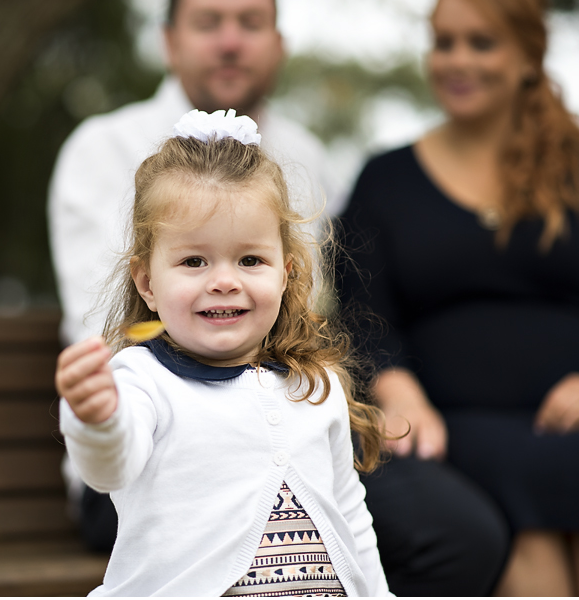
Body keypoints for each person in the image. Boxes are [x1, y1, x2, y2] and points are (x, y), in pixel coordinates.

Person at [49, 0, 509, 596]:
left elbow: (351, 510)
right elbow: (110, 380)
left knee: (463, 532)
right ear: (169, 39)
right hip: (157, 448)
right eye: (209, 23)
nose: (230, 41)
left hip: (281, 400)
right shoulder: (103, 149)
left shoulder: (306, 155)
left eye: (250, 22)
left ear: (278, 42)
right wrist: (95, 413)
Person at [334, 0, 579, 597]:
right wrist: (401, 397)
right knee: (527, 548)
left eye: (481, 43)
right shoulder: (384, 181)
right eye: (443, 42)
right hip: (457, 431)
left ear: (529, 57)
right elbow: (364, 318)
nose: (457, 60)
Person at [56, 109, 390, 596]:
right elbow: (111, 467)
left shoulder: (315, 383)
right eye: (194, 261)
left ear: (286, 274)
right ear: (147, 283)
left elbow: (350, 514)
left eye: (250, 259)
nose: (225, 281)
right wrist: (97, 420)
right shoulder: (143, 380)